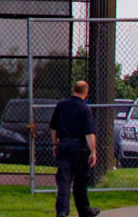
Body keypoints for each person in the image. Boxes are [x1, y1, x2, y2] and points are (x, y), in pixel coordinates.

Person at [49, 80, 101, 217]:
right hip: (79, 148)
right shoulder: (85, 109)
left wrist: (55, 144)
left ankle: (62, 211)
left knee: (64, 180)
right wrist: (93, 152)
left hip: (64, 145)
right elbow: (89, 133)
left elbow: (53, 128)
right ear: (85, 93)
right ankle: (84, 210)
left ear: (73, 89)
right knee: (80, 181)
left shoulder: (61, 106)